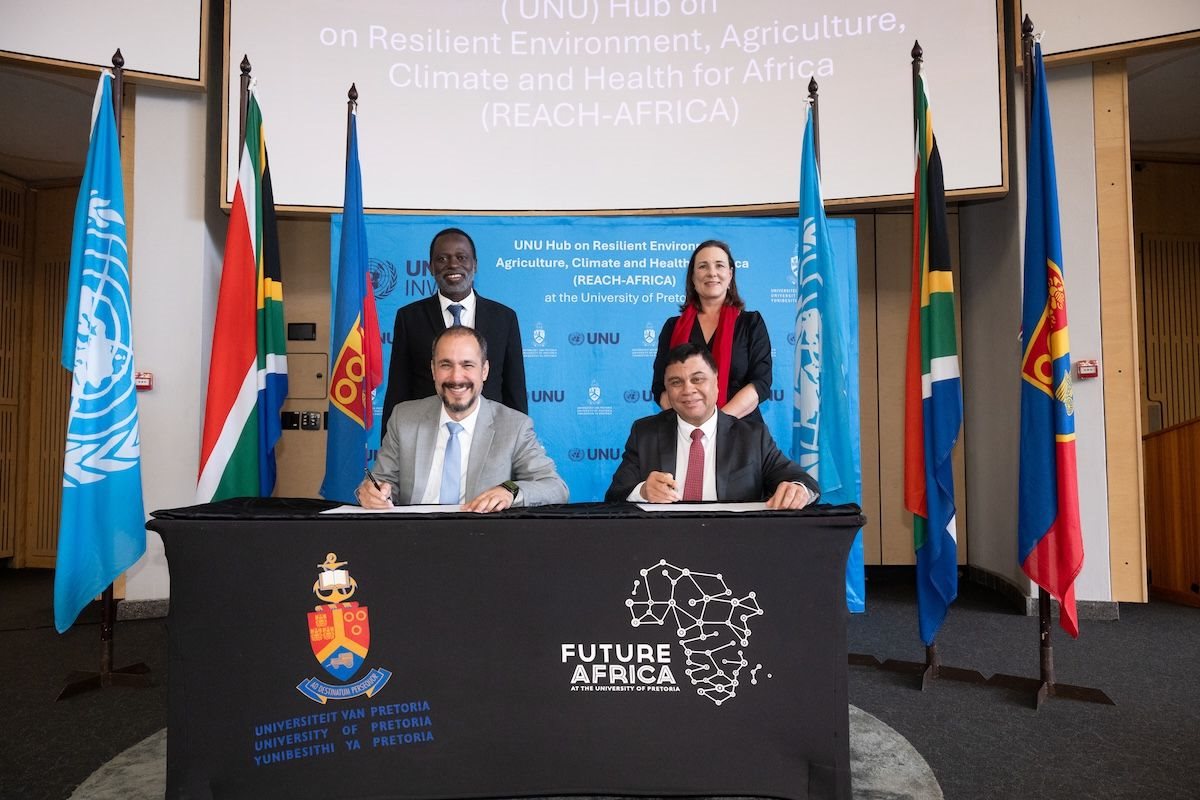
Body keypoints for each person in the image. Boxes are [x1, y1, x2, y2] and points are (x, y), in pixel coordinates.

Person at [358, 326, 566, 512]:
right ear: (433, 370)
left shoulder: (514, 426)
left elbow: (554, 487)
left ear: (484, 371)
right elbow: (382, 484)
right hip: (414, 535)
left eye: (467, 365)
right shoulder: (403, 418)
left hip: (481, 537)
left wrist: (509, 490)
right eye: (446, 365)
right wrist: (371, 493)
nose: (456, 377)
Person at [607, 343, 817, 508]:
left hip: (733, 542)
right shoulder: (645, 433)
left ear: (716, 383)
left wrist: (797, 490)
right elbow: (615, 495)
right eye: (676, 382)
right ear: (667, 389)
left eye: (698, 379)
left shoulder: (753, 437)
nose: (688, 390)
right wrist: (643, 491)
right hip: (664, 542)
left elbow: (803, 481)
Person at [380, 227, 527, 432]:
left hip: (489, 435)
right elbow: (398, 389)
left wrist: (518, 441)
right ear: (431, 267)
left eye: (461, 257)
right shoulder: (409, 318)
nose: (453, 264)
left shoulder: (504, 318)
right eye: (442, 259)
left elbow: (515, 390)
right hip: (427, 434)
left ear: (474, 265)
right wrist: (390, 443)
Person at [651, 239, 771, 422]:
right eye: (703, 266)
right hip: (686, 431)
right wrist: (692, 423)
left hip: (741, 428)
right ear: (693, 277)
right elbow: (660, 386)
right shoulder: (672, 327)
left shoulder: (751, 323)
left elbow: (760, 383)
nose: (712, 273)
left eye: (719, 265)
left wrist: (717, 423)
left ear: (730, 275)